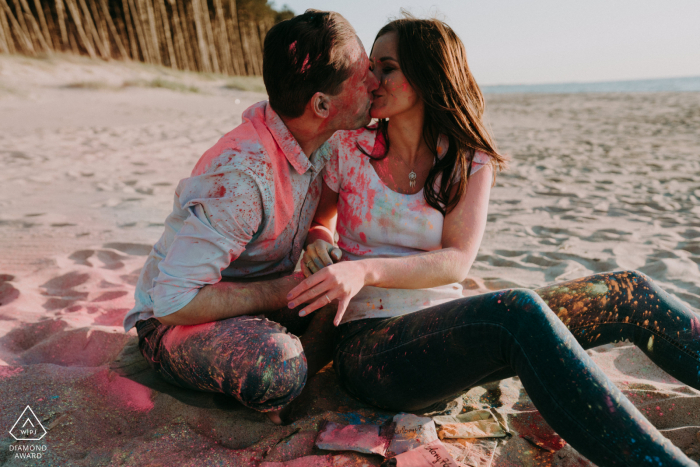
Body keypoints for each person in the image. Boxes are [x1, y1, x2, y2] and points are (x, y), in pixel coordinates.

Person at [287, 16, 700, 466]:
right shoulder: (349, 147)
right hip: (371, 349)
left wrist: (364, 268)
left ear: (427, 74)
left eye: (386, 67)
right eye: (372, 65)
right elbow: (322, 219)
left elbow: (457, 261)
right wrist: (319, 240)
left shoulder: (467, 157)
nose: (372, 79)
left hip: (452, 330)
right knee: (517, 312)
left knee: (628, 292)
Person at [121, 10, 379, 425]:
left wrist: (317, 238)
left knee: (355, 289)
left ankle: (297, 386)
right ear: (322, 104)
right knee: (277, 368)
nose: (375, 84)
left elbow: (324, 217)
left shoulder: (327, 138)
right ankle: (293, 386)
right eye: (364, 75)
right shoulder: (242, 177)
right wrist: (286, 290)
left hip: (252, 305)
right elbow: (173, 302)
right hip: (172, 323)